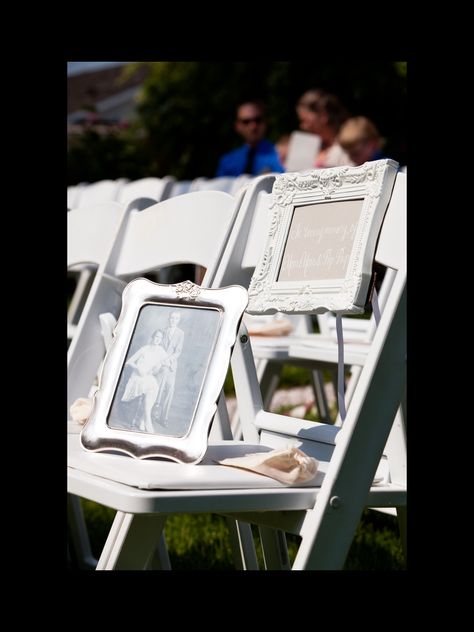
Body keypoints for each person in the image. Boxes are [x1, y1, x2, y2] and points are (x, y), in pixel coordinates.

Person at [215, 100, 284, 177]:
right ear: (237, 126)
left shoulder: (281, 155)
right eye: (246, 122)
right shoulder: (227, 161)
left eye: (258, 120)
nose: (253, 126)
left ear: (265, 122)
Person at [121, 329, 170, 433]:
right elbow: (129, 361)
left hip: (148, 376)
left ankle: (144, 420)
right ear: (153, 337)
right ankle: (147, 421)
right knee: (150, 386)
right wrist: (138, 369)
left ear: (161, 340)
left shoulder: (161, 351)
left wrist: (158, 366)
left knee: (154, 387)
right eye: (156, 337)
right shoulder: (145, 348)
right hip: (137, 376)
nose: (158, 339)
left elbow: (168, 363)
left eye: (160, 338)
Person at [296, 89, 353, 168]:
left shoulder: (348, 147)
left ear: (323, 116)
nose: (303, 126)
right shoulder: (305, 148)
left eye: (305, 121)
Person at [152, 311, 185, 426]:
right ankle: (154, 411)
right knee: (159, 387)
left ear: (178, 320)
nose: (173, 320)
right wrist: (162, 360)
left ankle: (163, 417)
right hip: (161, 364)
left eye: (176, 319)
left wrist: (168, 360)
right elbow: (160, 347)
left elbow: (178, 351)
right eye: (172, 318)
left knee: (170, 389)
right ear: (169, 318)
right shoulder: (164, 331)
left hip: (171, 365)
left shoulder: (181, 333)